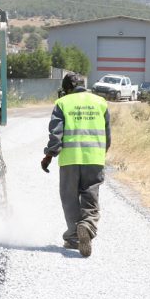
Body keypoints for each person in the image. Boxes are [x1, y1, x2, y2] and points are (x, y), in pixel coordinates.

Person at [40, 72, 111, 257]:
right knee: (90, 195)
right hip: (94, 158)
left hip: (70, 160)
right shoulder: (100, 102)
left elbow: (56, 134)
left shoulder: (62, 103)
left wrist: (49, 155)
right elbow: (107, 135)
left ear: (66, 89)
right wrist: (101, 153)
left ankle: (73, 237)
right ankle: (87, 226)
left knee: (69, 198)